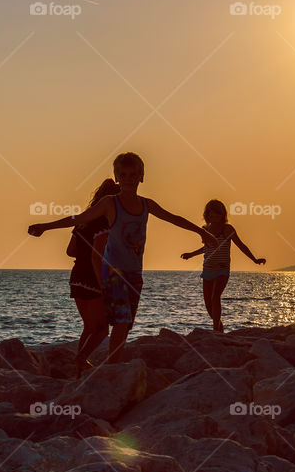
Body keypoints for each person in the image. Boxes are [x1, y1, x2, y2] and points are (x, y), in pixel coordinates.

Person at [29, 152, 217, 364]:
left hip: (134, 273)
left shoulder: (147, 205)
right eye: (124, 175)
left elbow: (173, 218)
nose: (128, 179)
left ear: (141, 177)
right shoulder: (110, 203)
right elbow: (79, 218)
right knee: (121, 320)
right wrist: (46, 226)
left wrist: (202, 232)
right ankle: (110, 365)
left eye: (133, 175)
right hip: (113, 271)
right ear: (117, 177)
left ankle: (102, 362)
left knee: (125, 324)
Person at [25, 179, 118, 377]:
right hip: (93, 277)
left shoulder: (82, 223)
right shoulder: (104, 225)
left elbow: (70, 251)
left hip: (76, 276)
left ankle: (79, 370)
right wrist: (103, 284)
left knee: (89, 326)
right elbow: (97, 256)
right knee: (102, 329)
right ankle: (81, 359)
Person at [180, 199, 266, 332]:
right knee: (208, 304)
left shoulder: (227, 229)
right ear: (207, 215)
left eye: (217, 214)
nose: (213, 217)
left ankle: (216, 330)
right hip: (207, 269)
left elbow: (241, 245)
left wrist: (254, 259)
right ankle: (220, 328)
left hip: (222, 269)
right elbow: (206, 249)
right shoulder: (205, 229)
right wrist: (191, 254)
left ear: (222, 215)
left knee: (215, 296)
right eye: (211, 214)